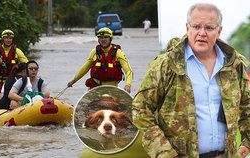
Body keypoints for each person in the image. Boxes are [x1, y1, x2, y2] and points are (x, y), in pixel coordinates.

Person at [132, 3, 249, 158]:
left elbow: (247, 105)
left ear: (219, 31)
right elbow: (140, 109)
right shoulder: (167, 65)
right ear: (187, 28)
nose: (202, 33)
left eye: (209, 28)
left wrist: (247, 141)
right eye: (196, 26)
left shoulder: (234, 65)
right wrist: (165, 153)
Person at [67, 27, 133, 93]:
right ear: (98, 40)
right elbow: (85, 69)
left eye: (105, 37)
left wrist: (128, 85)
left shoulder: (118, 53)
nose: (103, 39)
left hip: (112, 89)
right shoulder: (94, 52)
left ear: (110, 39)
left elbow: (129, 71)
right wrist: (73, 81)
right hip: (95, 88)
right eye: (101, 37)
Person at [0, 29, 28, 97]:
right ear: (2, 39)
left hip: (11, 82)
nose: (8, 40)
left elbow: (27, 64)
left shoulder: (17, 51)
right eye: (6, 38)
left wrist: (19, 67)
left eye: (10, 38)